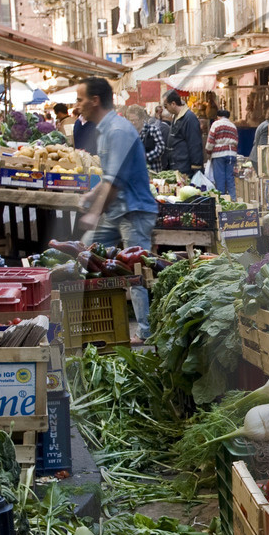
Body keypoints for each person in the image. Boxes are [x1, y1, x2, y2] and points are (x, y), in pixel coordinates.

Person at [78, 76, 158, 339]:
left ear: (95, 100)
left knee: (134, 270)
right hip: (118, 211)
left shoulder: (117, 130)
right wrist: (91, 194)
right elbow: (108, 177)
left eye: (80, 100)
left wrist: (93, 212)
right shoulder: (105, 130)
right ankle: (90, 319)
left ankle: (145, 331)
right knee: (86, 252)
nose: (77, 106)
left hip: (134, 211)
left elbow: (115, 181)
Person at [162, 90, 204, 175]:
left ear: (173, 104)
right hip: (177, 167)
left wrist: (196, 168)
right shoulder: (176, 117)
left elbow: (194, 144)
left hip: (185, 169)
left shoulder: (189, 118)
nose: (165, 109)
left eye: (166, 106)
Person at [206, 105, 239, 197]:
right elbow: (236, 141)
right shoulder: (233, 126)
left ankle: (222, 199)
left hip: (218, 154)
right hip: (231, 154)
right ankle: (233, 199)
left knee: (220, 178)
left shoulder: (216, 124)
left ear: (218, 116)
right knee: (230, 178)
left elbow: (210, 141)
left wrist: (208, 152)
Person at [72, 83, 98, 152]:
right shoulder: (78, 122)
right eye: (77, 101)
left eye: (80, 100)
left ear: (94, 101)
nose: (77, 105)